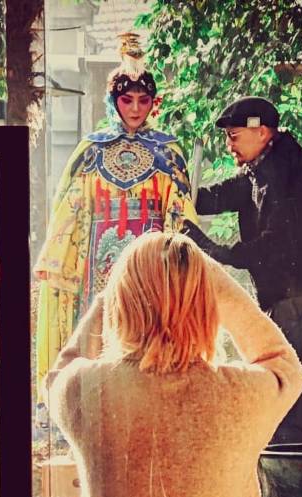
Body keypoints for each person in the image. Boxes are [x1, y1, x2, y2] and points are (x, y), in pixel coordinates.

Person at [46, 231, 302, 497]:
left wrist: (109, 298)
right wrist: (215, 283)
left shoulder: (87, 391)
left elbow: (59, 372)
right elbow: (286, 366)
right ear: (208, 304)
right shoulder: (238, 394)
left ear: (122, 302)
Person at [33, 33, 197, 412]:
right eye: (127, 100)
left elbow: (179, 212)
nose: (135, 108)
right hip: (98, 260)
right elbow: (70, 207)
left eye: (143, 100)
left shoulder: (168, 151)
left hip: (151, 262)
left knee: (150, 330)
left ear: (154, 103)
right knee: (99, 331)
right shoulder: (91, 150)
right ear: (113, 100)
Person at [183, 96, 302, 444]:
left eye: (234, 136)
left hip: (298, 303)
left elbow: (275, 244)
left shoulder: (289, 173)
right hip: (287, 299)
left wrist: (215, 250)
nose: (229, 146)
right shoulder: (263, 168)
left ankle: (291, 473)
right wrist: (180, 195)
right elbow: (222, 195)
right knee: (287, 402)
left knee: (290, 403)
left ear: (262, 132)